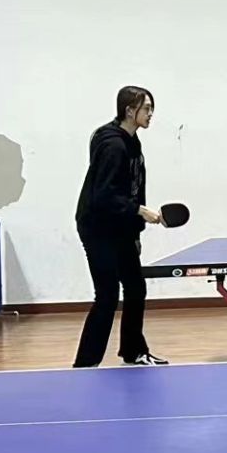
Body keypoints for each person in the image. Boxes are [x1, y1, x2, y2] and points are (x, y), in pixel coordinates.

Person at [74, 86, 167, 368]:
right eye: (146, 108)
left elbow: (134, 187)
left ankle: (134, 351)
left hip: (120, 227)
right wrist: (140, 211)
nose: (151, 114)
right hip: (97, 228)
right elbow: (104, 195)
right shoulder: (113, 145)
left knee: (135, 287)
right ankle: (85, 364)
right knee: (107, 295)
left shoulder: (132, 141)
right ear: (129, 110)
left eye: (151, 108)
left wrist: (135, 230)